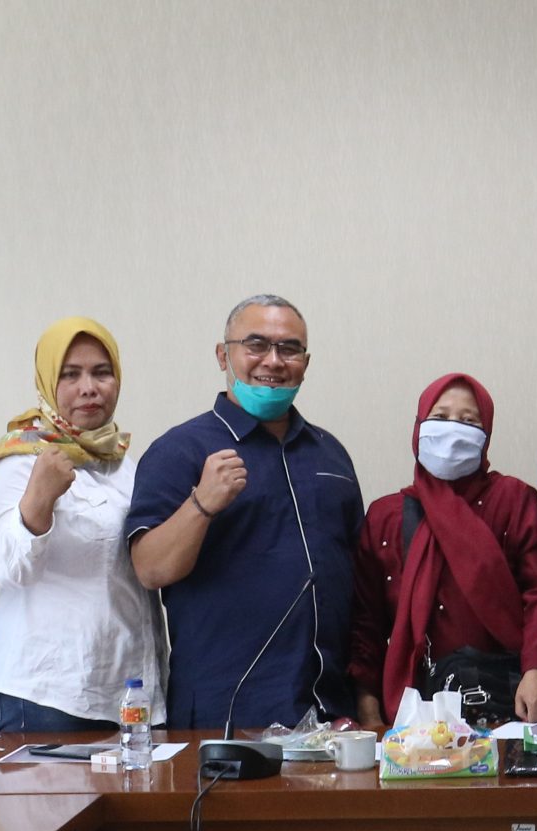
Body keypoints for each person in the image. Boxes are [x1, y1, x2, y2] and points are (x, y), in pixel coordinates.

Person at [126, 295, 362, 729]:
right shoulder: (179, 451)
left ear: (305, 363)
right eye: (256, 345)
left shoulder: (329, 453)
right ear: (223, 355)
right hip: (226, 713)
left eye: (289, 348)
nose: (273, 360)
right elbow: (150, 569)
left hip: (331, 711)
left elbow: (358, 577)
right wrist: (201, 504)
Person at [0, 316, 164, 732]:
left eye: (101, 372)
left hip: (128, 689)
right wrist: (38, 499)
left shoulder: (124, 464)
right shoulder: (20, 460)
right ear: (47, 382)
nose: (88, 387)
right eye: (70, 375)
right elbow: (7, 568)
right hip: (48, 693)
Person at [347, 374, 537, 731]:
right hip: (411, 716)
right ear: (418, 427)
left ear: (486, 435)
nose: (453, 429)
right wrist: (368, 709)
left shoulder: (513, 501)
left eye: (469, 421)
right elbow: (366, 622)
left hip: (507, 706)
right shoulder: (385, 517)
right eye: (440, 417)